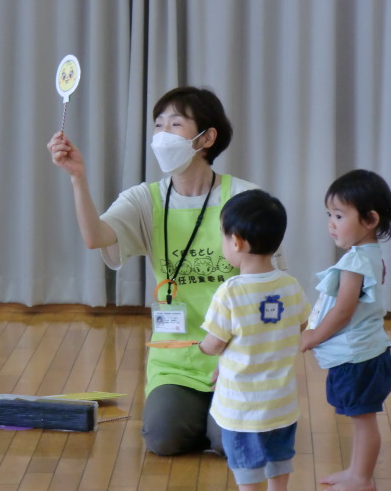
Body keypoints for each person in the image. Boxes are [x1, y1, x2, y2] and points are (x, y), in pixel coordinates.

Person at [47, 86, 286, 456]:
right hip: (175, 357)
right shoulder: (145, 199)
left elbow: (270, 289)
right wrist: (77, 177)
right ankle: (203, 416)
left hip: (238, 355)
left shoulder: (243, 198)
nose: (162, 135)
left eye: (175, 124)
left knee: (230, 444)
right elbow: (95, 237)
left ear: (206, 138)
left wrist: (246, 358)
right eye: (158, 125)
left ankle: (220, 421)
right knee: (163, 438)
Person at [199, 190, 310, 491]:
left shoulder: (230, 291)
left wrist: (202, 347)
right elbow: (302, 325)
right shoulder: (290, 285)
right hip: (281, 405)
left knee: (247, 471)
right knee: (279, 462)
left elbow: (214, 343)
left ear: (236, 242)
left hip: (243, 410)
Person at [300, 169, 391, 491]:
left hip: (359, 358)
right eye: (329, 215)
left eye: (339, 215)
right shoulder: (368, 255)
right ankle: (356, 471)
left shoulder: (355, 262)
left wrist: (313, 336)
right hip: (364, 354)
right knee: (360, 419)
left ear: (370, 219)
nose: (331, 223)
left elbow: (343, 311)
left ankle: (362, 479)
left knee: (364, 422)